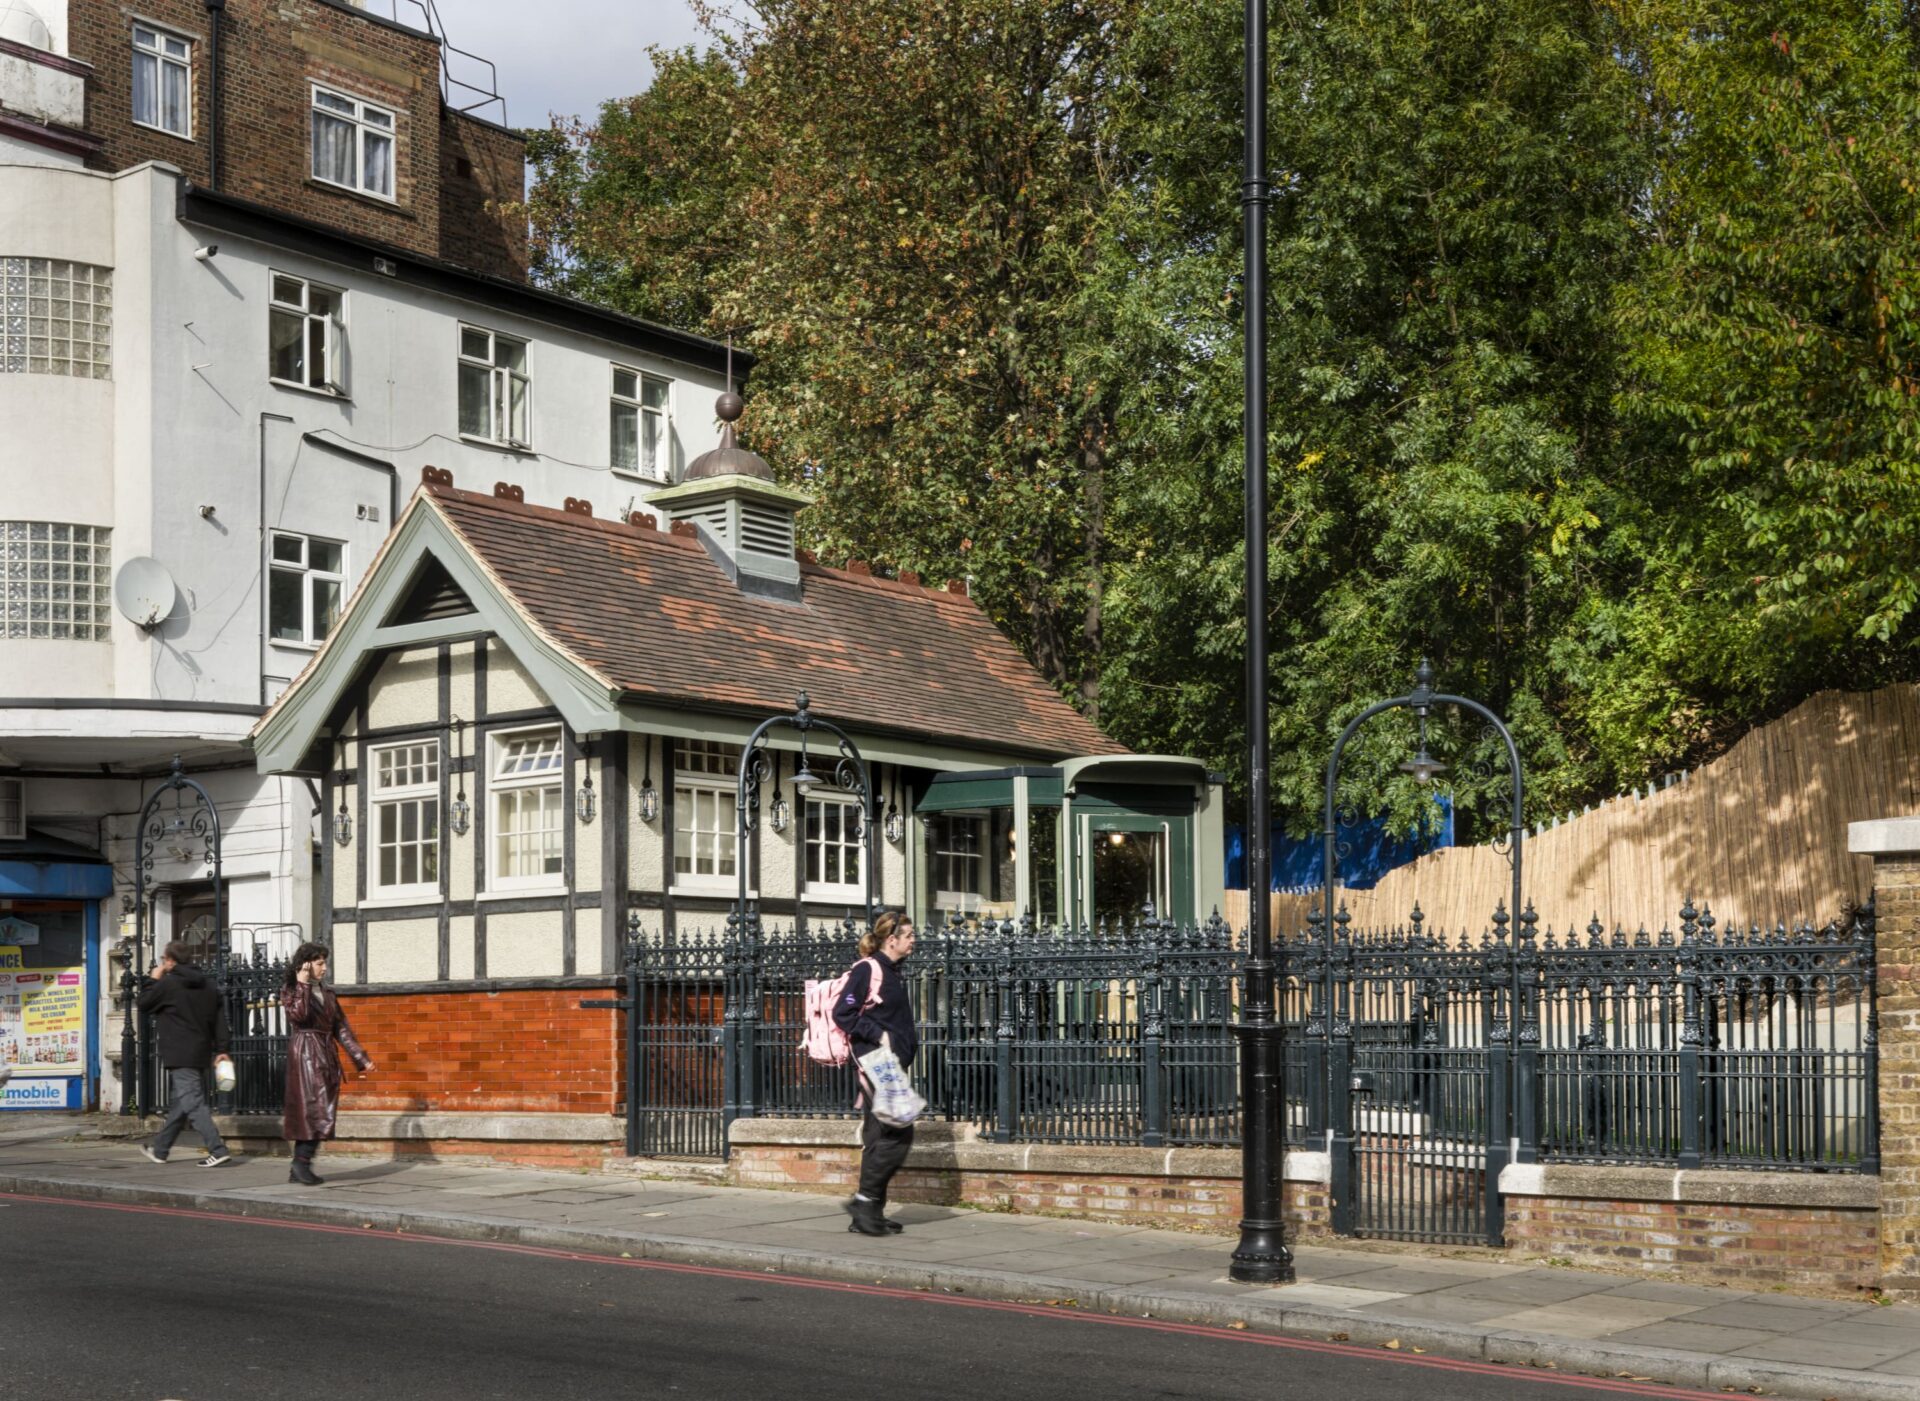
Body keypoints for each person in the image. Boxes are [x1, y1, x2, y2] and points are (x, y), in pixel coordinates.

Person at [832, 911, 918, 1237]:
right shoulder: (870, 969)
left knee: (878, 1136)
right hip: (876, 1060)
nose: (914, 941)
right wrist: (878, 1035)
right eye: (908, 935)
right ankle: (863, 1201)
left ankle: (870, 1215)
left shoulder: (893, 972)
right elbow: (843, 1012)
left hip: (890, 1062)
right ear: (891, 939)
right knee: (900, 1133)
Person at [280, 942, 374, 1185]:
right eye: (320, 963)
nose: (325, 968)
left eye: (325, 962)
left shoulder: (328, 993)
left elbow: (341, 1028)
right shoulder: (291, 989)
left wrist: (361, 1058)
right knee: (314, 1111)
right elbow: (298, 1016)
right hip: (305, 1054)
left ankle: (300, 1165)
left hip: (325, 1054)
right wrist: (302, 983)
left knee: (319, 1111)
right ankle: (301, 1163)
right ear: (306, 964)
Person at [136, 940, 234, 1167]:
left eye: (163, 959)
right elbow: (220, 1019)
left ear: (170, 961)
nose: (162, 963)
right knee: (181, 1103)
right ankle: (160, 1150)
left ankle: (217, 1149)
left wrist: (152, 979)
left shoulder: (169, 984)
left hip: (179, 1052)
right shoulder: (208, 985)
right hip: (200, 1051)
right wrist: (222, 1048)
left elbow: (143, 1003)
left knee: (193, 1103)